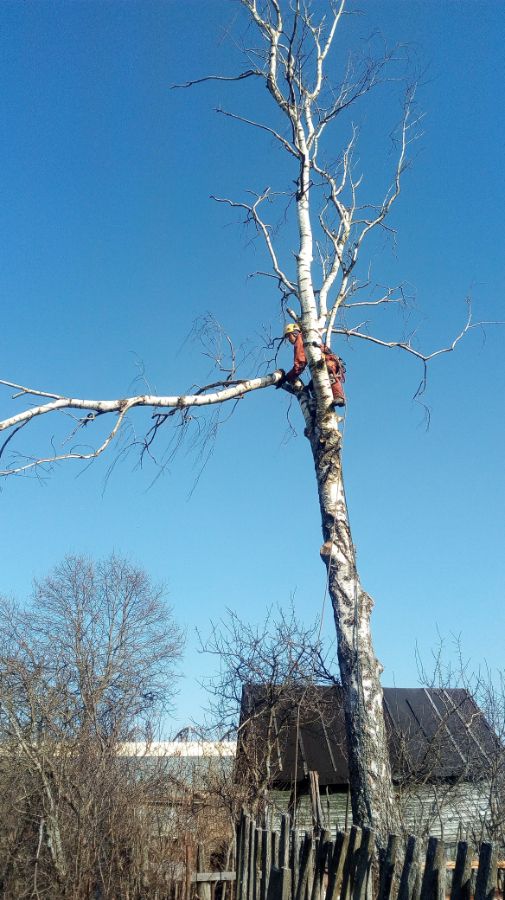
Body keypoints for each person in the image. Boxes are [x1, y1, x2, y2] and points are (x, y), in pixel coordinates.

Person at [281, 322, 346, 406]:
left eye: (288, 336)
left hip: (328, 363)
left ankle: (339, 397)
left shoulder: (300, 340)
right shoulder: (308, 337)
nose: (288, 340)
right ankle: (320, 404)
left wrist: (288, 377)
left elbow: (300, 363)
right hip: (328, 362)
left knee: (330, 376)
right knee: (312, 386)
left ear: (294, 333)